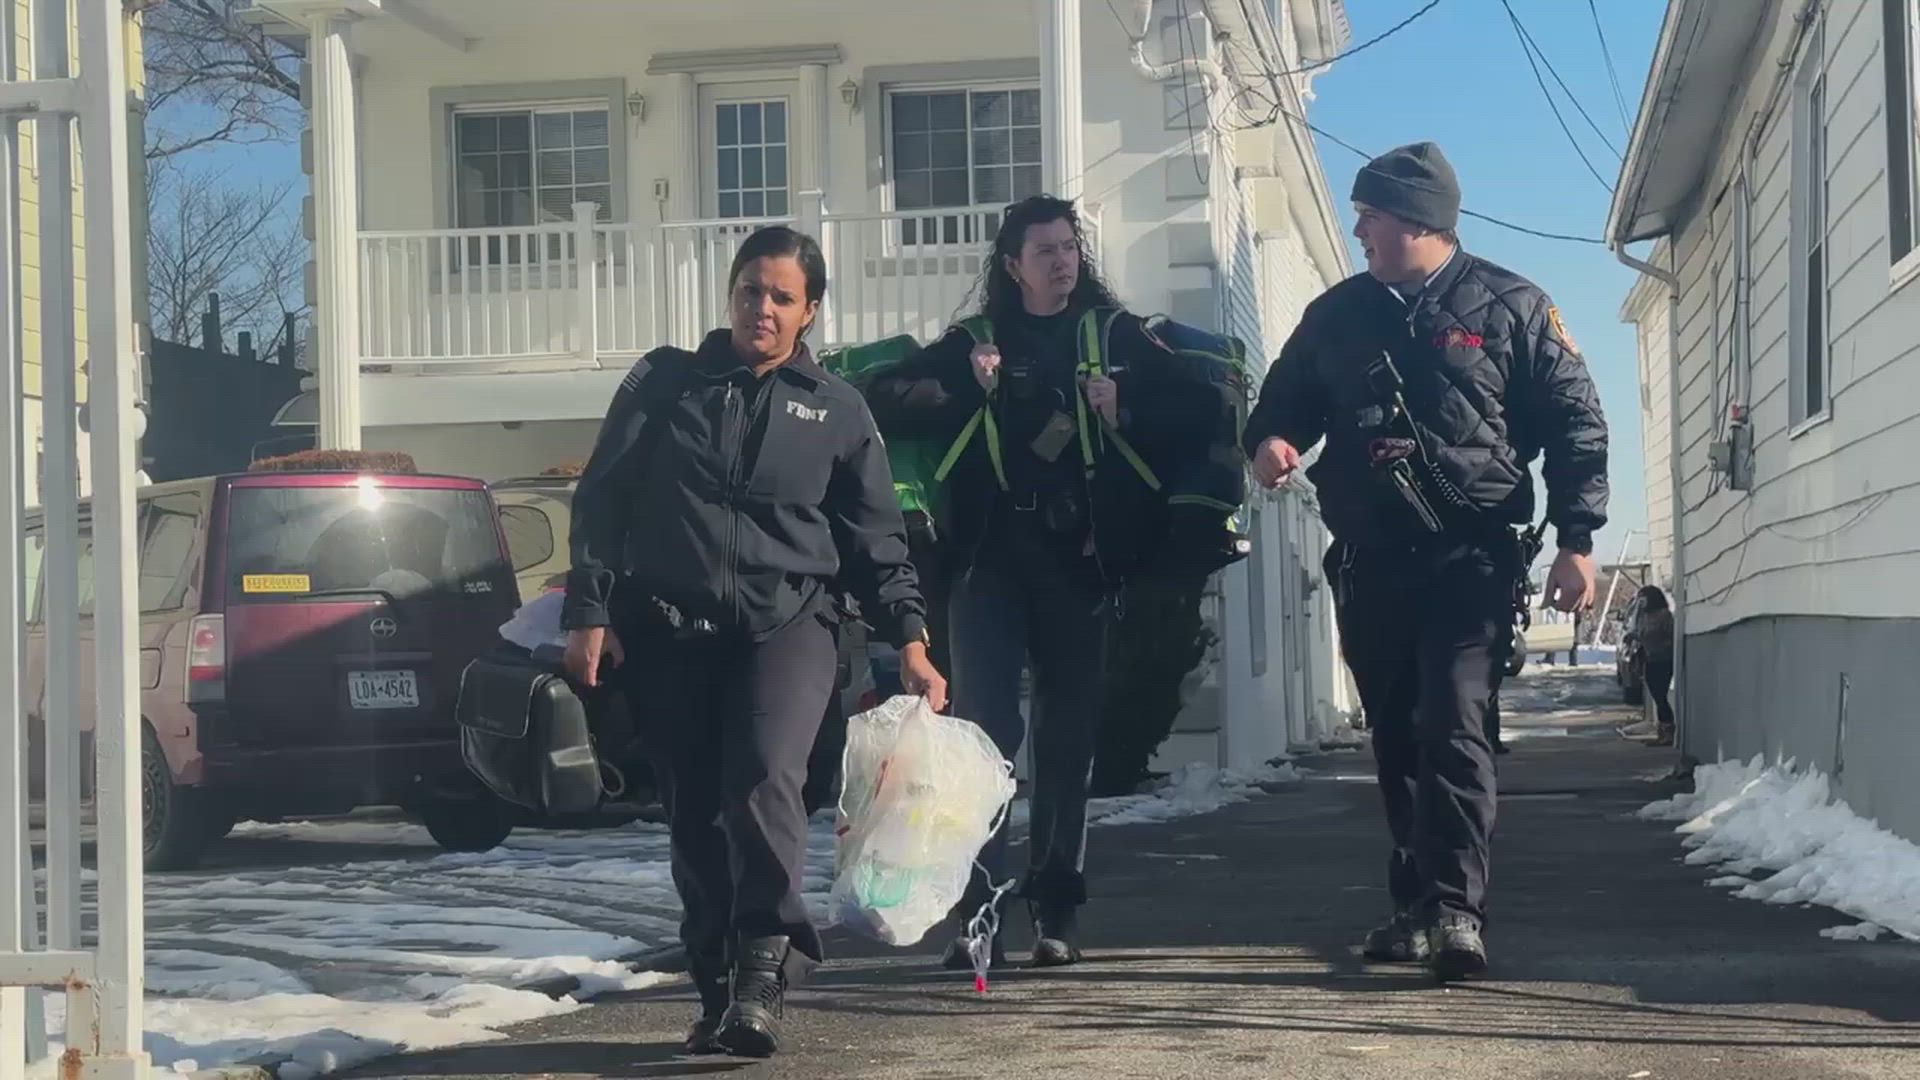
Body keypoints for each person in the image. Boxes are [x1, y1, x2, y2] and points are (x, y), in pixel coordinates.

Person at [561, 225, 946, 1059]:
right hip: (670, 630)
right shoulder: (667, 383)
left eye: (781, 296)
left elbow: (877, 541)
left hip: (790, 626)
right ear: (730, 293)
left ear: (810, 311)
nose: (760, 308)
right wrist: (589, 610)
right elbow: (602, 499)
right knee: (695, 813)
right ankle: (715, 987)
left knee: (766, 779)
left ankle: (764, 973)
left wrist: (911, 639)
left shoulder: (837, 409)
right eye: (749, 290)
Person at [1244, 142, 1608, 981]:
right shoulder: (1336, 315)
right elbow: (1281, 404)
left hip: (1470, 557)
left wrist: (1577, 540)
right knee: (1397, 733)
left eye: (1370, 215)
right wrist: (1270, 442)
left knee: (1453, 719)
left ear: (1417, 220)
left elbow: (1577, 426)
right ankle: (1414, 905)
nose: (1358, 231)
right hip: (1370, 559)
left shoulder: (1513, 306)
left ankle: (1456, 911)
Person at [864, 194, 1218, 970]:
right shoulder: (976, 342)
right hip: (988, 567)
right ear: (1012, 265)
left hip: (1078, 567)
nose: (1063, 261)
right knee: (985, 739)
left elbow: (1202, 408)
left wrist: (1127, 407)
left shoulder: (1113, 336)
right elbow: (882, 399)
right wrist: (964, 386)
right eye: (1045, 250)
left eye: (1069, 248)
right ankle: (980, 916)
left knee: (1067, 743)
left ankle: (1058, 913)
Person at [1631, 585, 1676, 745]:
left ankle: (1668, 731)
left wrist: (1662, 647)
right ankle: (1661, 732)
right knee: (1656, 695)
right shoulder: (1644, 615)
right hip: (1649, 659)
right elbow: (1640, 633)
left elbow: (1671, 636)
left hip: (1663, 659)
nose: (1641, 601)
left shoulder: (1664, 615)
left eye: (1644, 598)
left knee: (1660, 695)